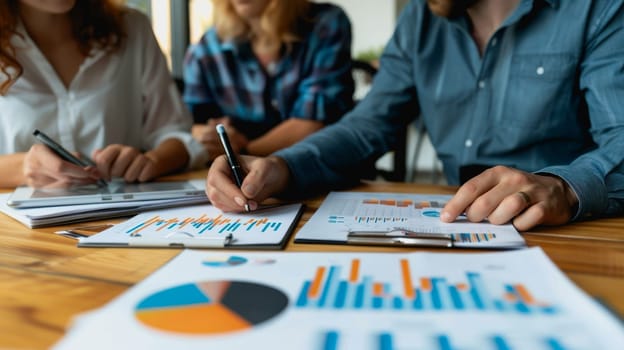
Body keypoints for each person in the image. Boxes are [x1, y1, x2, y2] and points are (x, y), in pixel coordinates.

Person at [205, 0, 624, 231]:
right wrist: (282, 167)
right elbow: (367, 126)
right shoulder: (419, 21)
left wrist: (562, 188)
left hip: (572, 232)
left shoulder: (598, 10)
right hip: (462, 227)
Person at [0, 0, 207, 188]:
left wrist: (152, 160)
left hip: (123, 219)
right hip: (15, 227)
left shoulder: (132, 28)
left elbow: (176, 133)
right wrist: (23, 168)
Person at [183, 0, 354, 162]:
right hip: (234, 177)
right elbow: (193, 127)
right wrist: (211, 137)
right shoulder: (206, 48)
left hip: (320, 170)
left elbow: (313, 123)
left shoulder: (326, 24)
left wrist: (241, 152)